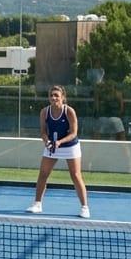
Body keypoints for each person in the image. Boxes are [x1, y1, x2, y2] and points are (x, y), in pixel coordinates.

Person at [26, 84, 90, 218]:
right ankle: (37, 204)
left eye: (56, 95)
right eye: (51, 95)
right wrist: (47, 142)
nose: (53, 98)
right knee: (43, 174)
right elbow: (43, 132)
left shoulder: (69, 111)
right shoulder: (44, 112)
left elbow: (73, 133)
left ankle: (85, 207)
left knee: (76, 175)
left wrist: (60, 142)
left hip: (70, 146)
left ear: (63, 97)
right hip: (52, 146)